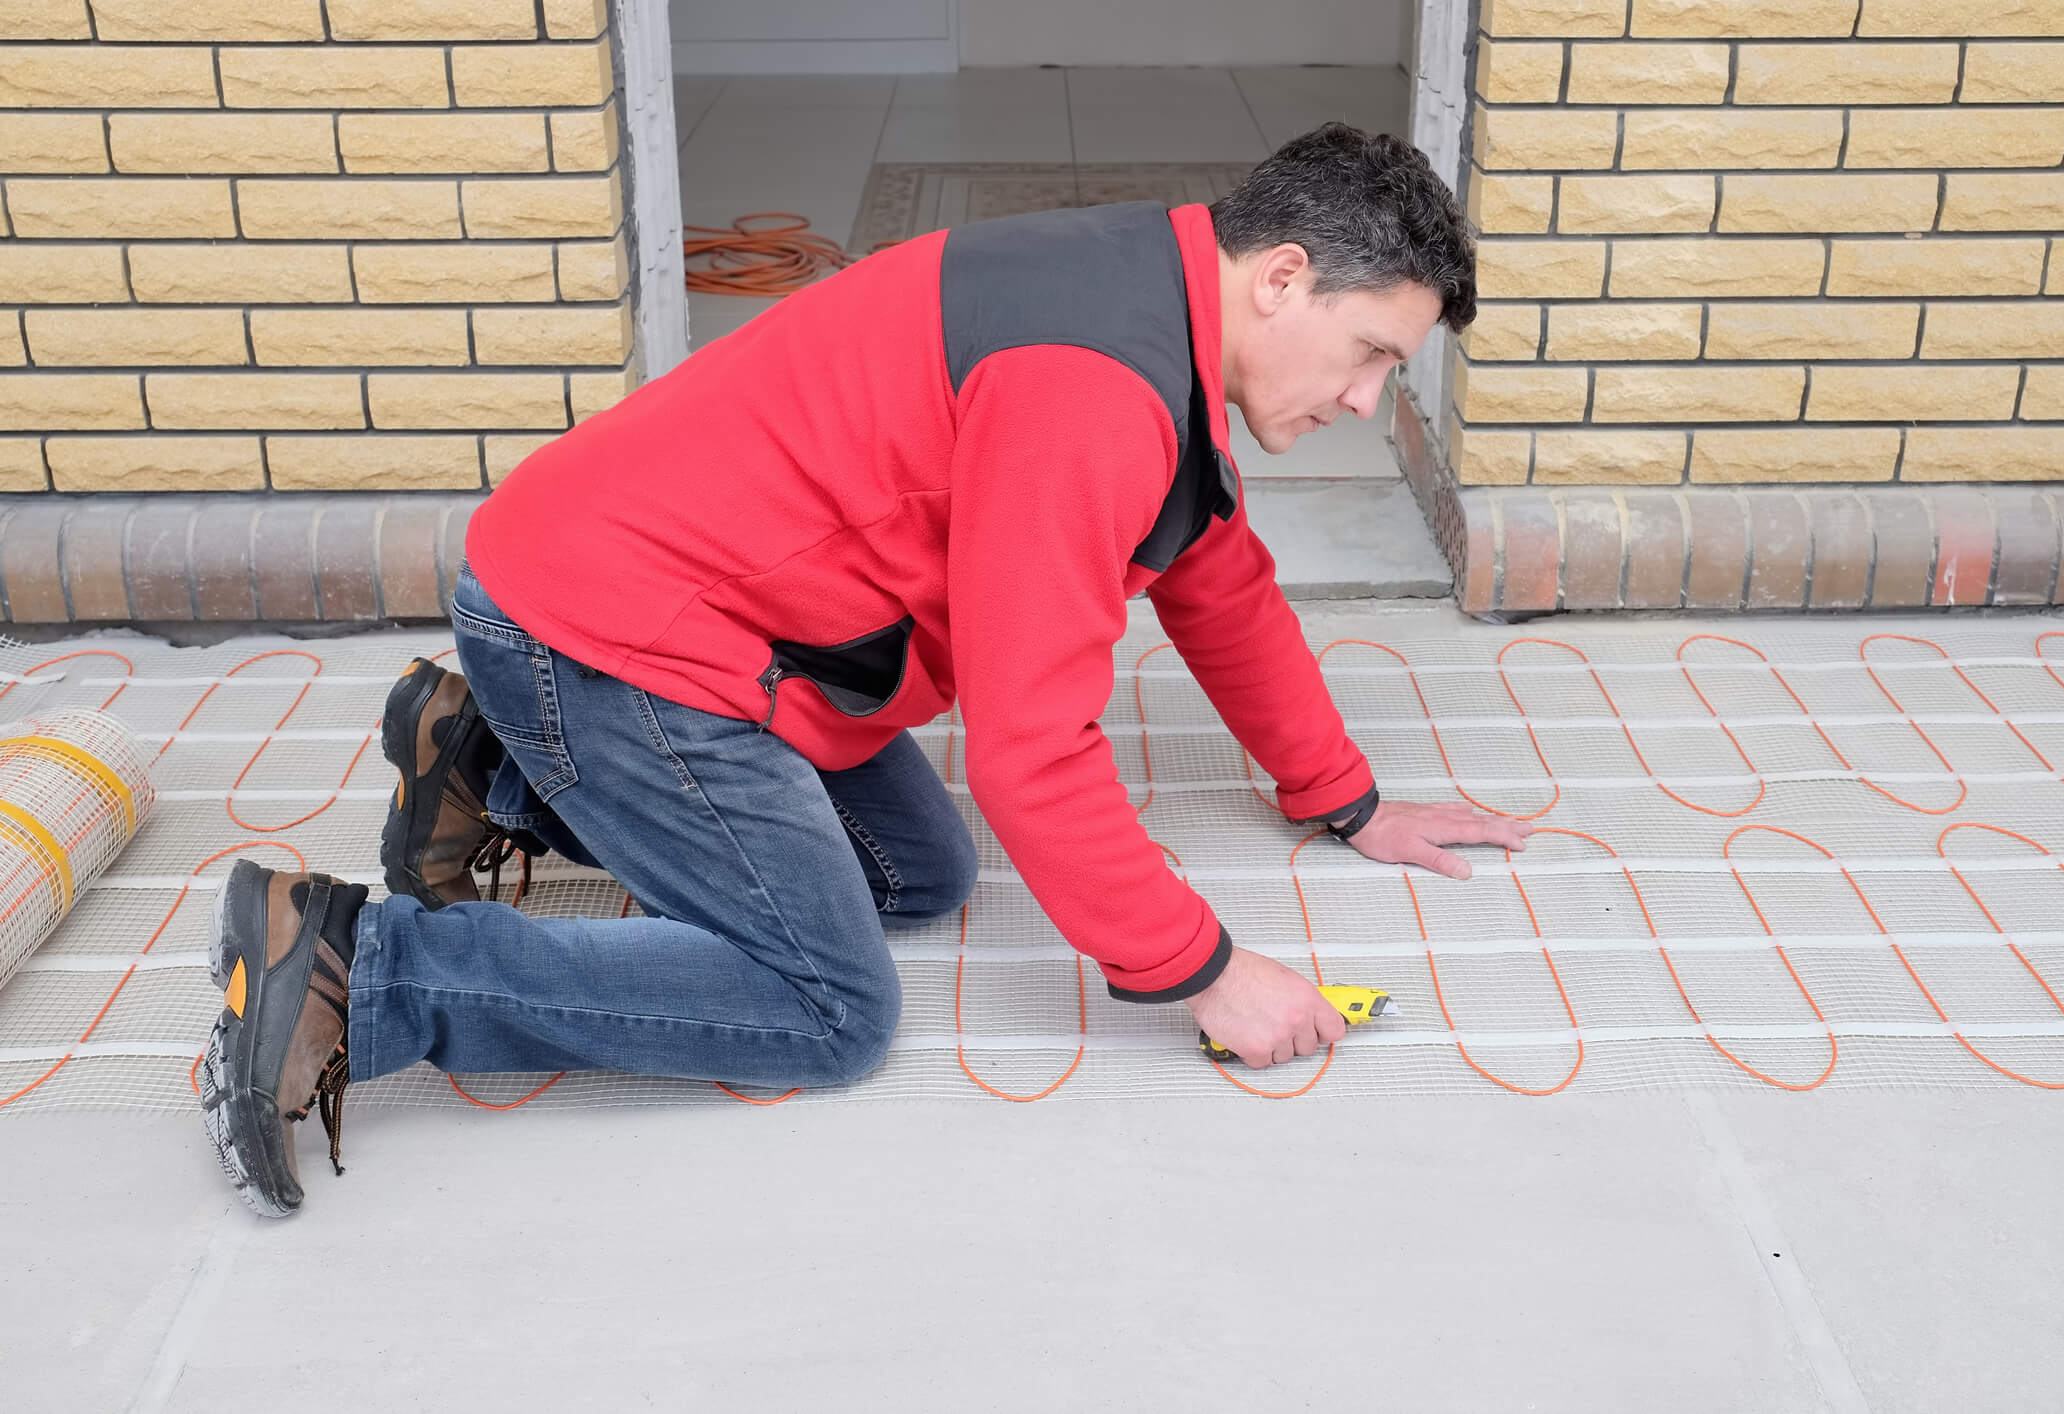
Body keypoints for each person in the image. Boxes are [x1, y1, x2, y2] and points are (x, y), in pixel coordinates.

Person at [197, 122, 1528, 1218]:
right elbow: (1030, 750)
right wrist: (1204, 969)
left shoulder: (1153, 289)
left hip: (694, 623)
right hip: (604, 630)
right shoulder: (1094, 388)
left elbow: (1214, 577)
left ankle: (487, 759)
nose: (1365, 402)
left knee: (921, 874)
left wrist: (1341, 796)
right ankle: (359, 972)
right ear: (1283, 276)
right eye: (1371, 356)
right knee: (821, 1005)